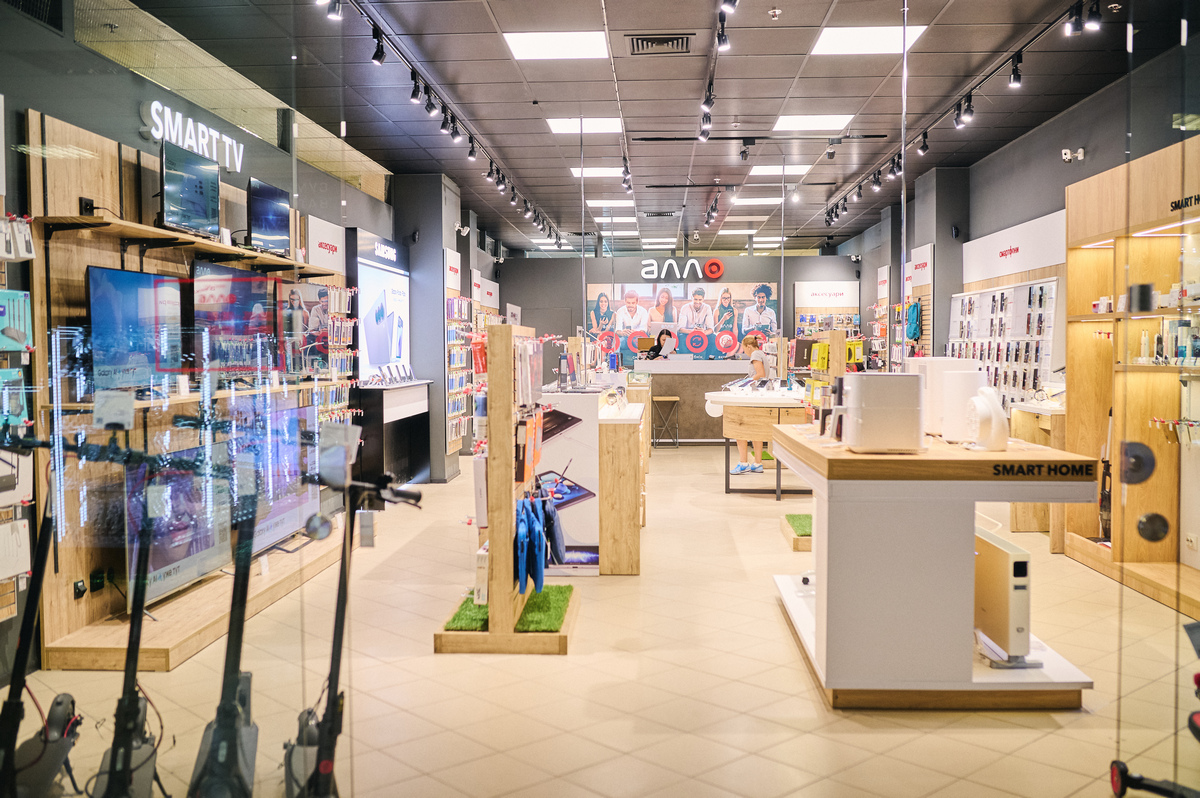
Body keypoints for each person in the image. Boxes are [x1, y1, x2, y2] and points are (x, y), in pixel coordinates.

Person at [730, 336, 770, 475]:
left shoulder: (755, 354)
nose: (744, 352)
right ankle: (757, 463)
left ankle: (743, 463)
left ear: (748, 346)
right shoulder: (761, 353)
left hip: (753, 396)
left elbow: (760, 374)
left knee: (740, 428)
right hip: (760, 396)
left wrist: (745, 383)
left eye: (744, 349)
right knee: (756, 430)